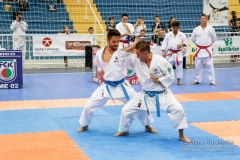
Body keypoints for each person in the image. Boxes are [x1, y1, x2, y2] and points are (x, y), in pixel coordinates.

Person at [78, 29, 156, 134]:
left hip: (122, 86)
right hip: (106, 87)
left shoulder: (120, 53)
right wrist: (101, 70)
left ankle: (147, 125)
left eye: (118, 41)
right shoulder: (99, 53)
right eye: (113, 42)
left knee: (140, 104)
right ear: (107, 40)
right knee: (88, 106)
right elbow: (98, 64)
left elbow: (128, 49)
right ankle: (84, 124)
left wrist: (135, 43)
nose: (116, 44)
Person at [114, 41, 191, 143]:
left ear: (146, 53)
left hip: (162, 93)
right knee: (126, 110)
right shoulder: (136, 60)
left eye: (138, 54)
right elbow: (119, 56)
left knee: (178, 109)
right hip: (145, 94)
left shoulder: (161, 61)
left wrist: (158, 80)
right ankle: (124, 130)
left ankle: (181, 135)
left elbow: (171, 75)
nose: (136, 56)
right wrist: (132, 46)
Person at [191, 14, 217, 86]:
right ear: (200, 20)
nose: (203, 20)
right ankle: (197, 80)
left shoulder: (211, 29)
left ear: (207, 19)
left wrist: (208, 45)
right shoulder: (196, 29)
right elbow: (193, 39)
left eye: (204, 18)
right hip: (199, 49)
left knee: (210, 65)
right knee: (197, 65)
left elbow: (214, 38)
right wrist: (198, 44)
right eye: (202, 18)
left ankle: (212, 80)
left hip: (207, 49)